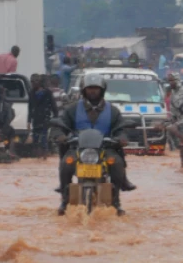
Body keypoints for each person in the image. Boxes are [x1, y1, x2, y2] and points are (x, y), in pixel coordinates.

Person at [56, 73, 135, 216]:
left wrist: (121, 138)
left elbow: (121, 128)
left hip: (105, 148)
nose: (93, 91)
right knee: (66, 164)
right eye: (89, 88)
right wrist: (60, 136)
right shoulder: (72, 109)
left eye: (96, 88)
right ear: (84, 90)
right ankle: (64, 200)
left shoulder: (113, 111)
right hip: (78, 148)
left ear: (102, 90)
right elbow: (61, 125)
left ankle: (116, 201)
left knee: (116, 163)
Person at [30, 76, 57, 159]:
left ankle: (44, 153)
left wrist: (56, 117)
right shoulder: (32, 92)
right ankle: (37, 155)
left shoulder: (47, 92)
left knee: (43, 136)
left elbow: (53, 105)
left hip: (45, 117)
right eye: (32, 82)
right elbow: (30, 107)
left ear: (39, 82)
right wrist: (28, 120)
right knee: (35, 137)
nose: (33, 83)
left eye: (35, 81)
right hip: (36, 118)